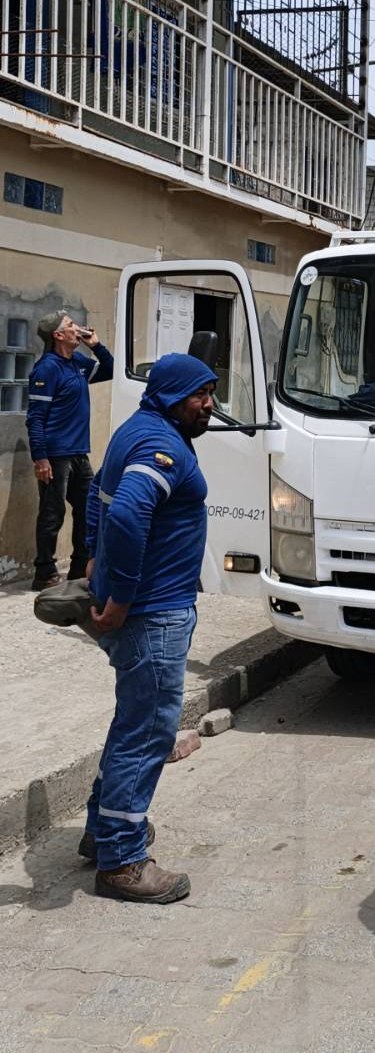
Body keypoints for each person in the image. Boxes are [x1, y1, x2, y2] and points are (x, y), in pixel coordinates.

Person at [80, 352, 217, 904]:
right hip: (152, 614)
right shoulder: (160, 445)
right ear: (170, 397)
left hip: (146, 610)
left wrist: (93, 557)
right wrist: (122, 594)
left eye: (210, 392)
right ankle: (122, 862)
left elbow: (97, 492)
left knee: (133, 723)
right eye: (198, 395)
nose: (208, 404)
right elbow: (127, 512)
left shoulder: (137, 430)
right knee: (146, 734)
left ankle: (102, 830)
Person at [26, 311, 114, 590]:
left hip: (78, 452)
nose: (78, 328)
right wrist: (40, 457)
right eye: (71, 325)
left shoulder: (77, 362)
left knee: (89, 508)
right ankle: (44, 573)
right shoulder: (46, 369)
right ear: (58, 335)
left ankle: (79, 567)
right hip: (55, 454)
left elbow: (111, 369)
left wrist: (96, 346)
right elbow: (35, 418)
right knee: (52, 513)